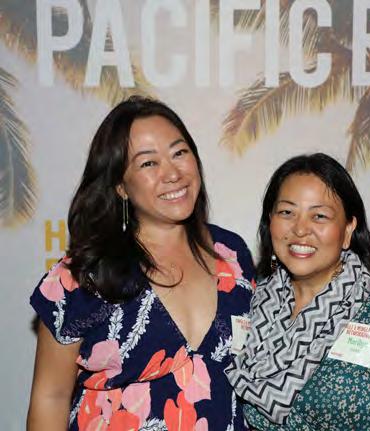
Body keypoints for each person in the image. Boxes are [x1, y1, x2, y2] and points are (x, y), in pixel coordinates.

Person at [27, 96, 255, 430]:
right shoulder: (82, 276)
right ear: (120, 186)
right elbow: (51, 396)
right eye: (149, 163)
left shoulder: (232, 254)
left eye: (179, 153)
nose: (173, 173)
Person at [225, 153, 370, 430]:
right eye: (287, 212)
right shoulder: (252, 303)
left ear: (347, 229)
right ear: (270, 221)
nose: (300, 229)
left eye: (319, 216)